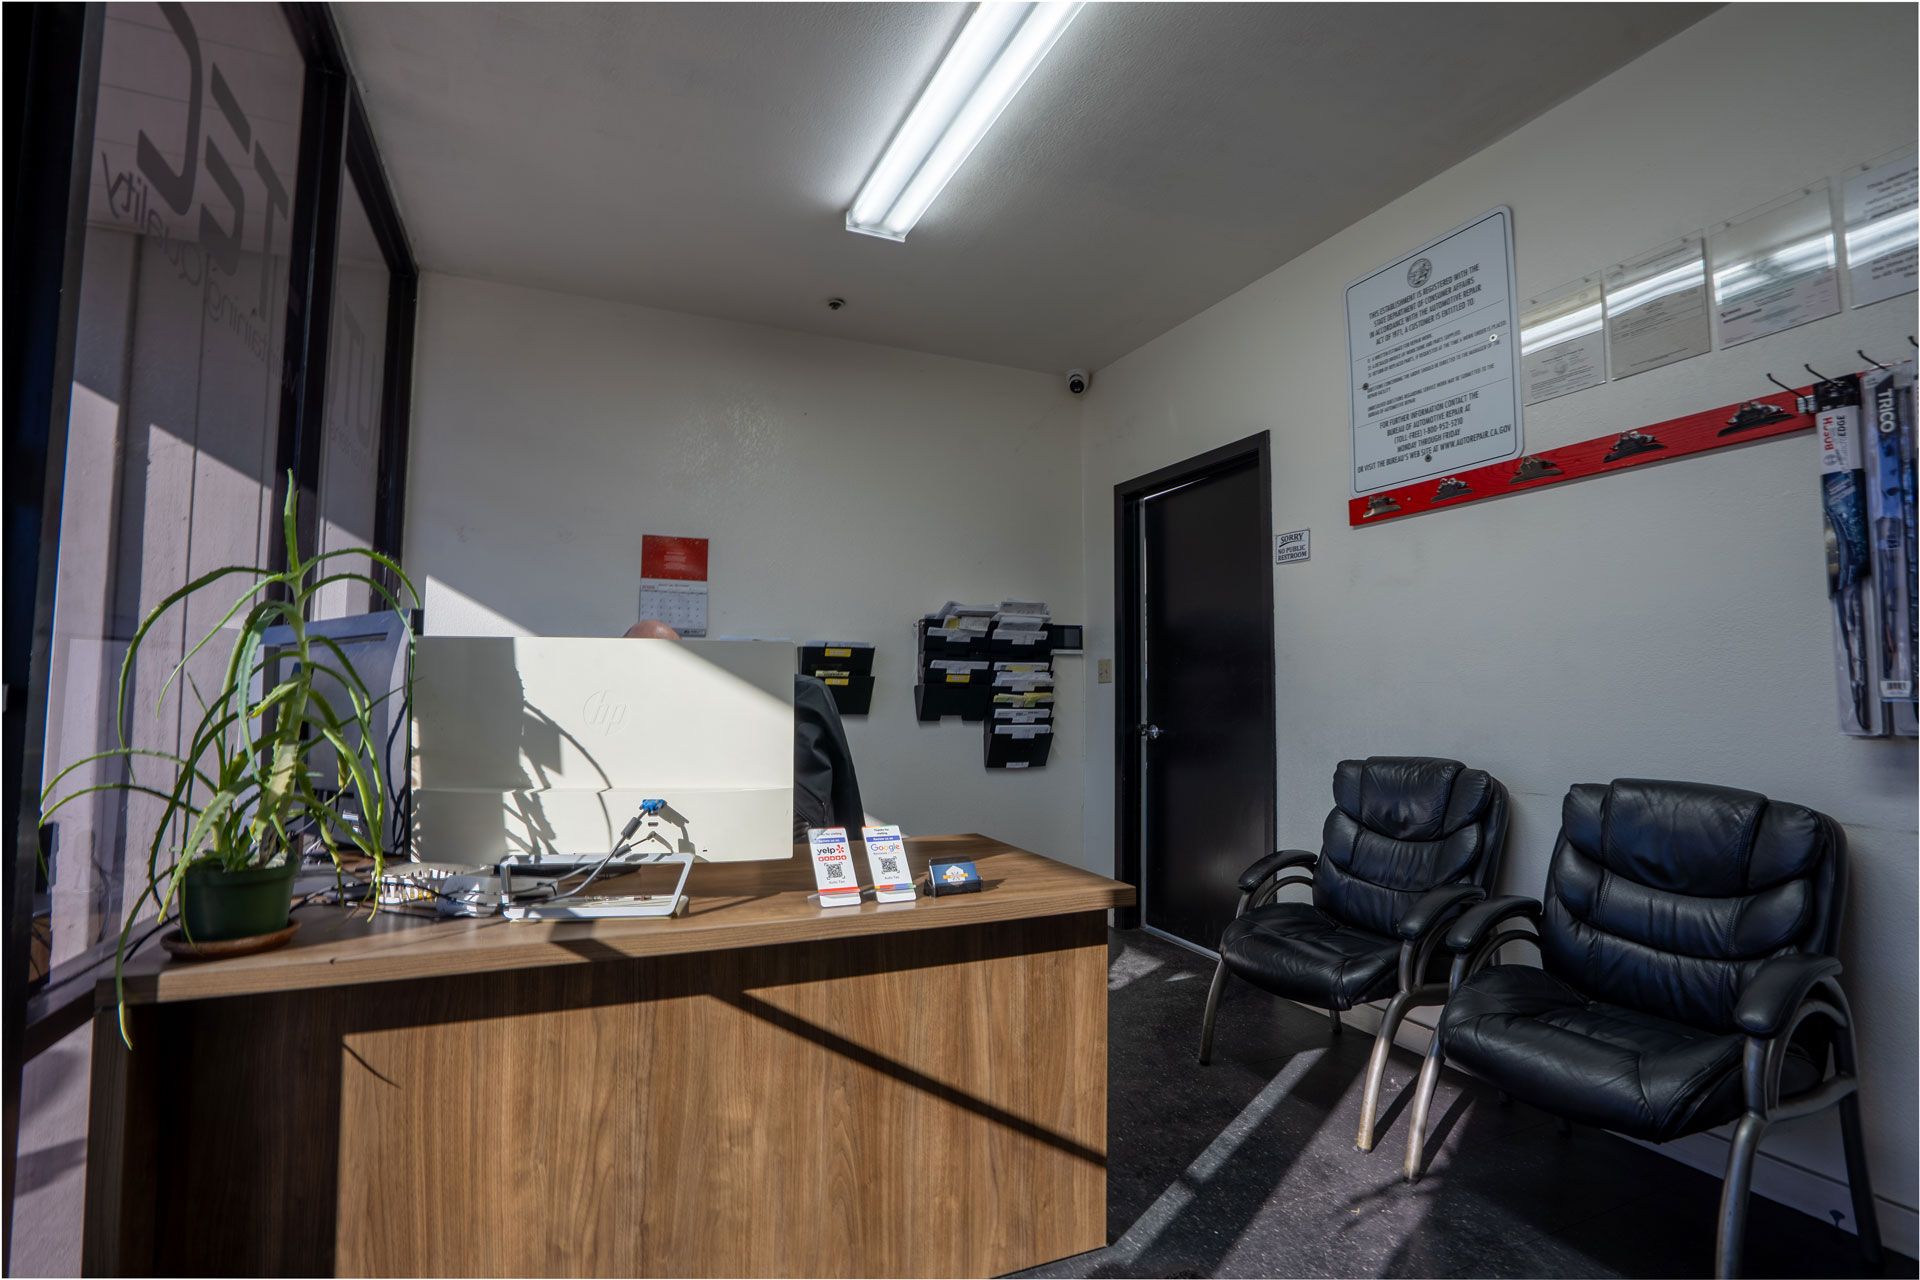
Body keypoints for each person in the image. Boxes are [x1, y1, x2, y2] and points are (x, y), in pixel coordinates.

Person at [623, 621, 864, 837]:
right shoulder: (616, 714)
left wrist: (857, 853)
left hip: (775, 845)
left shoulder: (804, 696)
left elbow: (844, 792)